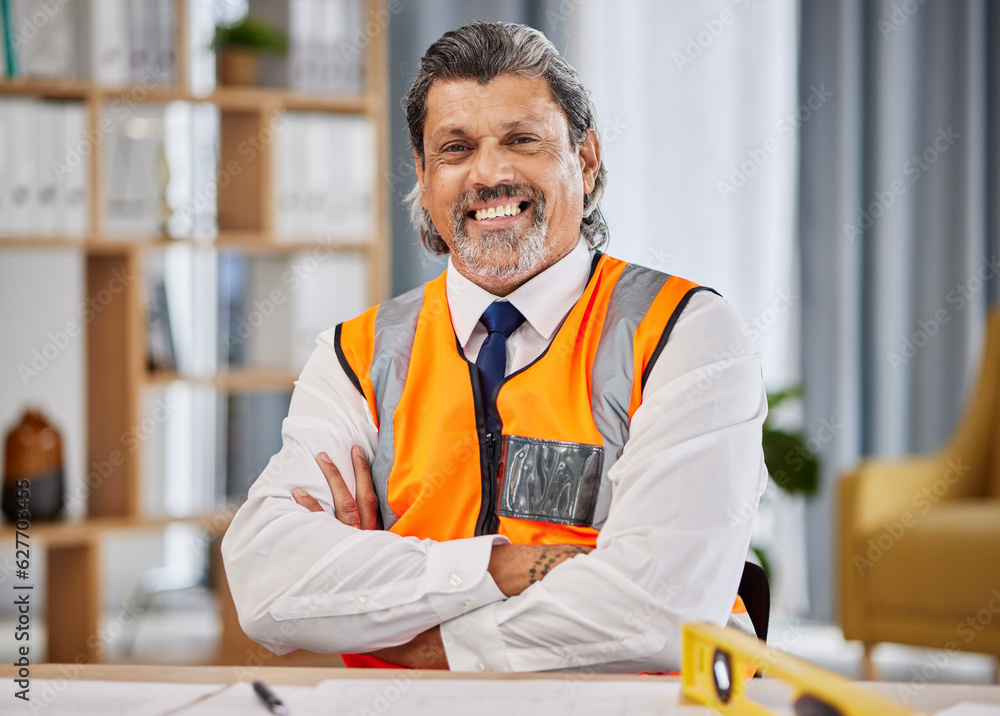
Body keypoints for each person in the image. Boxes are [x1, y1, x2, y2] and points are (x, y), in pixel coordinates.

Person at [222, 21, 767, 673]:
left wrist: (412, 633)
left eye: (522, 140)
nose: (490, 173)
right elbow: (266, 584)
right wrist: (501, 566)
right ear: (424, 177)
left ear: (585, 160)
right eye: (455, 148)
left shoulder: (683, 331)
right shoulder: (356, 355)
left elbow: (658, 609)